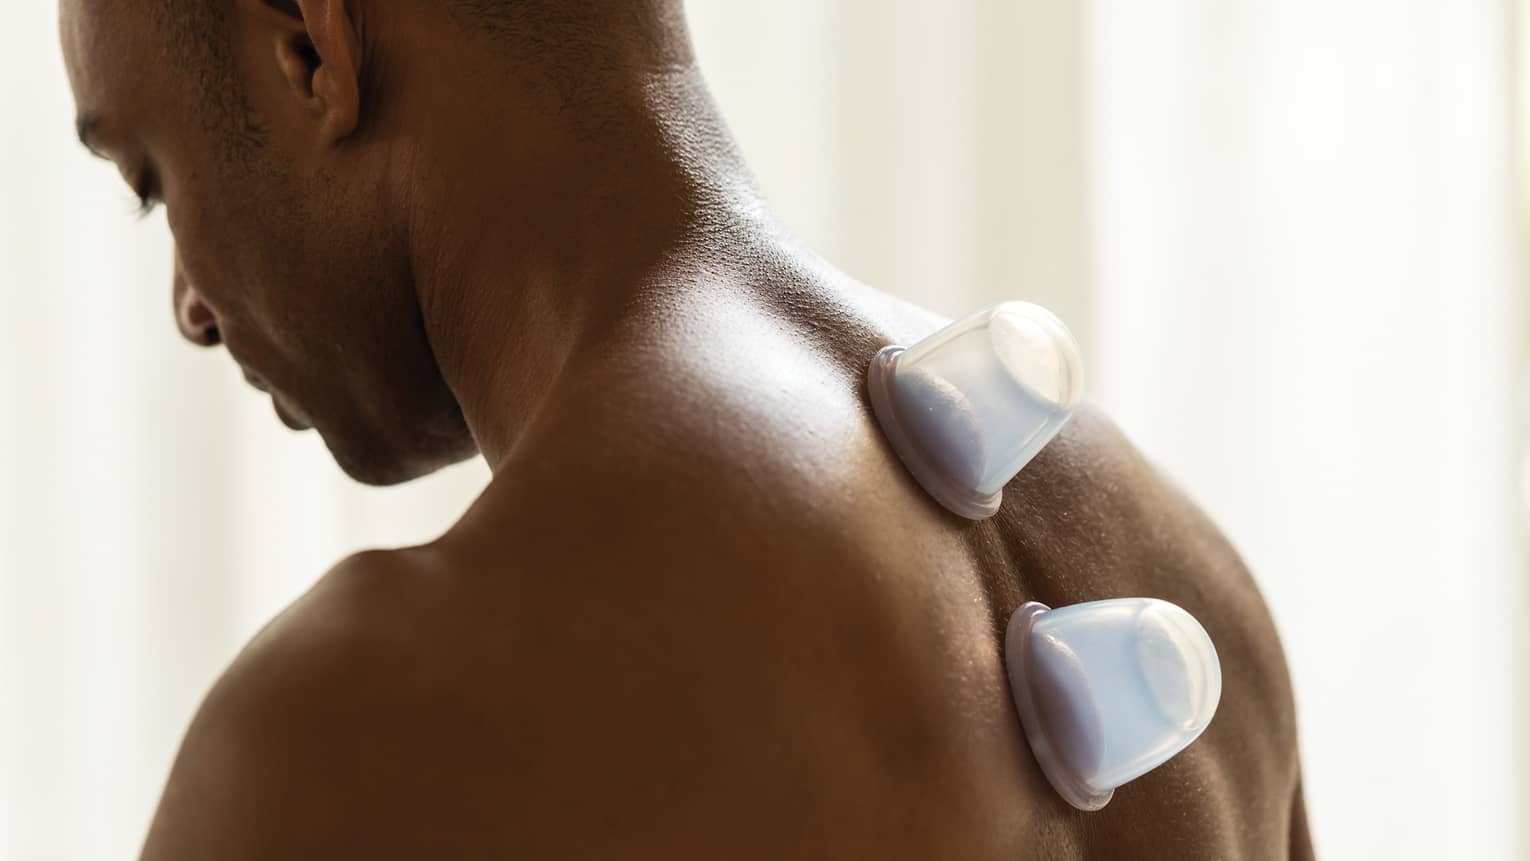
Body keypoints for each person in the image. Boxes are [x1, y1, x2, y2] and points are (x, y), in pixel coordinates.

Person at [61, 0, 1314, 857]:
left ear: (309, 47)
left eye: (151, 181)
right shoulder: (1174, 564)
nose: (189, 307)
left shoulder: (362, 726)